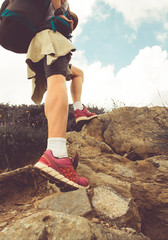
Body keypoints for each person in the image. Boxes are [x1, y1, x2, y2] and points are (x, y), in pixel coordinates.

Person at [26, 0, 97, 190]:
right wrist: (59, 12)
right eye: (72, 21)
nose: (72, 24)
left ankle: (79, 110)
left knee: (73, 75)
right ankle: (56, 154)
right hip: (49, 40)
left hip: (38, 45)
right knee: (57, 82)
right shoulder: (59, 10)